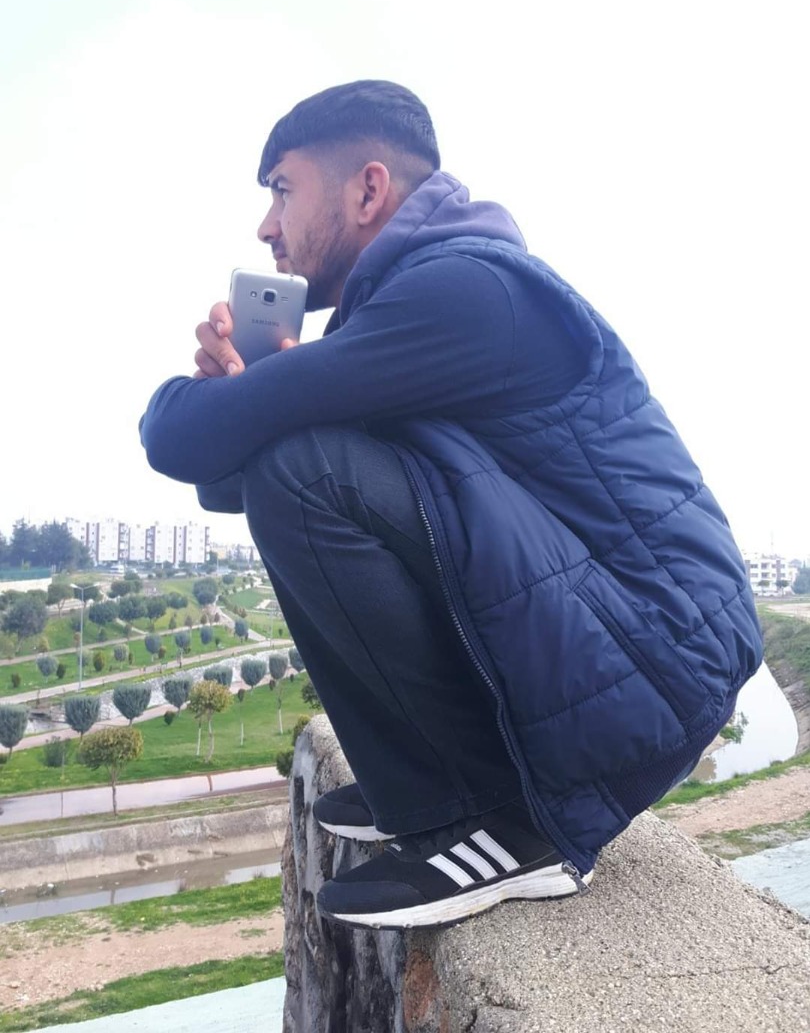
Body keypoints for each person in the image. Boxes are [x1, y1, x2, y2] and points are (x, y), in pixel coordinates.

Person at [140, 80, 763, 931]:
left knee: (304, 467)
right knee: (297, 465)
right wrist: (245, 394)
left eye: (282, 190)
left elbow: (178, 438)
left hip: (661, 657)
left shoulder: (466, 291)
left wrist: (228, 405)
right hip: (622, 642)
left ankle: (503, 821)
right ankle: (422, 788)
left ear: (367, 189)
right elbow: (225, 479)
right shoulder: (403, 307)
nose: (266, 226)